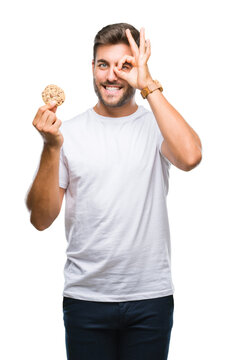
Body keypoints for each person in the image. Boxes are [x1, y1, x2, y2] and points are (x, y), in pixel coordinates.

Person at [26, 23, 202, 360]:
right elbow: (41, 219)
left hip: (150, 298)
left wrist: (148, 84)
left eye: (125, 65)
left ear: (138, 68)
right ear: (92, 68)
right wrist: (50, 147)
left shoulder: (156, 126)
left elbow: (191, 157)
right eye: (104, 64)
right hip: (86, 299)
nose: (112, 75)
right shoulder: (68, 133)